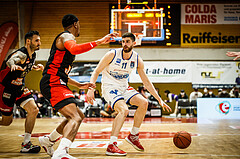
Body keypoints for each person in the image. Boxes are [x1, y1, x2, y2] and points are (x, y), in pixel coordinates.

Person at [38, 14, 118, 159]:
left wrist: (79, 84)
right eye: (79, 24)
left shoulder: (66, 39)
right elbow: (74, 49)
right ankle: (61, 152)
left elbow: (61, 72)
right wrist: (100, 41)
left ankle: (48, 140)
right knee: (75, 117)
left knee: (78, 115)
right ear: (76, 24)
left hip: (57, 80)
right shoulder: (66, 37)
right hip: (52, 82)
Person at [86, 32, 171, 156]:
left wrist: (159, 99)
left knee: (144, 102)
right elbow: (96, 71)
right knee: (123, 110)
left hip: (124, 87)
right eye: (123, 41)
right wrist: (91, 89)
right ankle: (111, 145)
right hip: (110, 87)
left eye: (127, 42)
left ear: (134, 43)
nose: (124, 44)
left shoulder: (137, 59)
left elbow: (146, 82)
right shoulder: (112, 54)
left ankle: (133, 135)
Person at [0, 31, 43, 153]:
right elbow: (12, 60)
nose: (39, 43)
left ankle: (26, 144)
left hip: (19, 87)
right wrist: (12, 65)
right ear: (28, 41)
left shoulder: (32, 55)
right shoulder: (22, 54)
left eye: (39, 40)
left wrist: (35, 67)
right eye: (36, 41)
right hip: (5, 88)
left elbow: (28, 65)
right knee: (7, 122)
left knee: (34, 110)